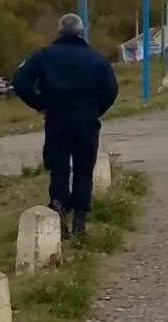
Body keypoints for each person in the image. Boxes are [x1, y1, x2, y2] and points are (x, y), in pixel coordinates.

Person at [12, 14, 119, 240]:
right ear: (82, 32)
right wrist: (97, 110)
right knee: (83, 171)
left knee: (58, 170)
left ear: (59, 32)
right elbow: (111, 90)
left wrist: (40, 104)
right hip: (86, 122)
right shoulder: (97, 59)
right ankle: (80, 223)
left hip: (57, 120)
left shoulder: (44, 56)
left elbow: (20, 80)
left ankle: (59, 218)